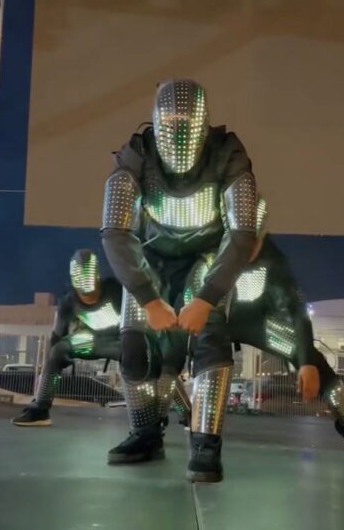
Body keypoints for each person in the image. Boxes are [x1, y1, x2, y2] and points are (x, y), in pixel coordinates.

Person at [101, 79, 259, 482]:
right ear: (156, 123)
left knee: (211, 337)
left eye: (187, 122)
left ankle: (206, 442)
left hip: (206, 257)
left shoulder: (228, 153)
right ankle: (145, 433)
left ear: (204, 124)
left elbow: (242, 233)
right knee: (134, 344)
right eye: (170, 122)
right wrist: (147, 298)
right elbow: (116, 232)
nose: (179, 132)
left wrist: (206, 299)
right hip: (151, 259)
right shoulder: (137, 154)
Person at [229, 224, 344, 455]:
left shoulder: (274, 260)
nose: (247, 247)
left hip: (259, 325)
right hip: (210, 320)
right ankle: (175, 418)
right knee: (173, 348)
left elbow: (296, 310)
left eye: (253, 240)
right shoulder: (207, 246)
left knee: (314, 360)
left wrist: (306, 362)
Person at [12, 249, 123, 426]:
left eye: (92, 292)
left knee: (139, 352)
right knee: (58, 350)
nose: (88, 297)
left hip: (120, 342)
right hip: (90, 342)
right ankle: (40, 409)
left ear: (97, 278)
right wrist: (52, 362)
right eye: (83, 294)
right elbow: (57, 337)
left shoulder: (116, 291)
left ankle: (148, 415)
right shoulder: (68, 302)